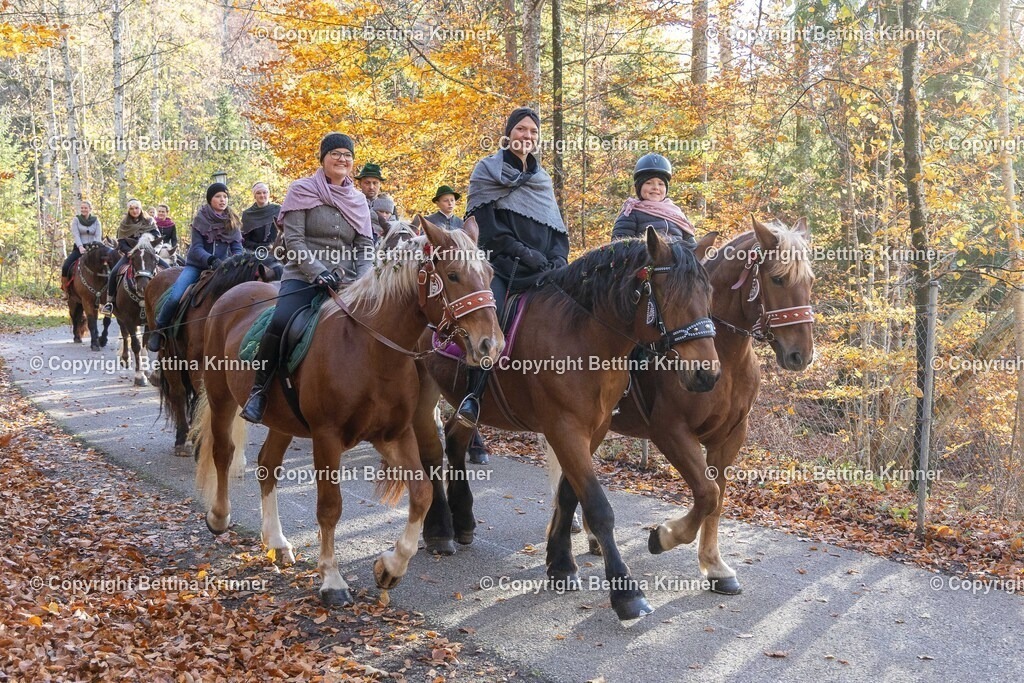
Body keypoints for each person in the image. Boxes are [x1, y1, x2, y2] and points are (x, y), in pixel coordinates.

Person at [457, 107, 569, 463]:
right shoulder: (487, 171)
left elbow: (556, 228)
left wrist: (556, 258)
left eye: (532, 131)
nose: (527, 135)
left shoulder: (542, 179)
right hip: (500, 268)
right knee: (491, 320)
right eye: (520, 129)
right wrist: (523, 252)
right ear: (508, 134)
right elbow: (485, 227)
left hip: (543, 269)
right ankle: (471, 401)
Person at [240, 133, 374, 423]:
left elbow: (365, 247)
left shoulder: (359, 200)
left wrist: (364, 281)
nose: (342, 159)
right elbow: (294, 241)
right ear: (323, 158)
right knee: (281, 319)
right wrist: (318, 272)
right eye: (335, 153)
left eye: (347, 155)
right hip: (302, 276)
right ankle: (259, 390)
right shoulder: (301, 190)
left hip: (348, 281)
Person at [147, 183, 243, 351]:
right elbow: (197, 248)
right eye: (218, 196)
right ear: (210, 199)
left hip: (225, 269)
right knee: (176, 296)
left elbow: (237, 248)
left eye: (225, 197)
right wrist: (211, 260)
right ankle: (159, 330)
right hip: (198, 266)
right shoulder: (201, 219)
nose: (222, 200)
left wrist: (235, 262)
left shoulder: (233, 221)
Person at [611, 153, 695, 245]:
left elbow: (692, 248)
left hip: (679, 259)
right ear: (639, 187)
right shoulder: (630, 214)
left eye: (660, 184)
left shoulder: (677, 215)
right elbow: (618, 250)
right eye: (649, 183)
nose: (655, 187)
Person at [102, 200, 158, 314]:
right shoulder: (124, 224)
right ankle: (110, 302)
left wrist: (154, 250)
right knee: (114, 272)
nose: (134, 211)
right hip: (131, 254)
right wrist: (130, 252)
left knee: (167, 268)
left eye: (136, 208)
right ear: (129, 210)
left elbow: (157, 237)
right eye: (132, 209)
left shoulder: (149, 221)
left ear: (140, 208)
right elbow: (121, 243)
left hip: (148, 254)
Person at [62, 200, 102, 290]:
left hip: (94, 248)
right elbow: (76, 234)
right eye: (82, 208)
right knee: (66, 265)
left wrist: (94, 248)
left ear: (90, 209)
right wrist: (80, 247)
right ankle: (66, 289)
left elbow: (98, 236)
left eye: (85, 208)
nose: (83, 210)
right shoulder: (76, 220)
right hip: (79, 247)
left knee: (106, 264)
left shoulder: (96, 221)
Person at [355, 162, 398, 238]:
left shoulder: (389, 206)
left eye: (375, 183)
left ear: (380, 184)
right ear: (359, 183)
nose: (371, 187)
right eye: (367, 183)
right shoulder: (354, 203)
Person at [241, 181, 281, 251]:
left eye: (265, 192)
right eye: (258, 193)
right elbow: (244, 241)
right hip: (256, 253)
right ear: (254, 196)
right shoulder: (247, 214)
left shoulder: (278, 210)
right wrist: (262, 247)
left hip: (278, 250)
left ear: (268, 194)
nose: (262, 195)